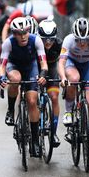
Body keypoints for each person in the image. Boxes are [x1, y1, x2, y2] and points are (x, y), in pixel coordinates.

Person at [0, 17, 48, 157]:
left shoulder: (35, 40)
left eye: (25, 32)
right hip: (13, 66)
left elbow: (43, 63)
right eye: (19, 33)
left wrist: (43, 73)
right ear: (13, 34)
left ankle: (35, 141)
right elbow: (2, 67)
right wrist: (2, 78)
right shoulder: (8, 43)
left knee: (32, 101)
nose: (23, 36)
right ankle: (10, 110)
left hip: (30, 67)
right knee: (15, 79)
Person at [58, 17, 89, 156]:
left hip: (87, 66)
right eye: (78, 40)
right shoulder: (68, 40)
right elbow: (61, 63)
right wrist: (63, 78)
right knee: (74, 79)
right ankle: (69, 111)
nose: (81, 43)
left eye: (85, 40)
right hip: (71, 64)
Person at [37, 18, 62, 147]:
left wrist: (64, 77)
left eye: (51, 39)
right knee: (32, 95)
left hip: (52, 68)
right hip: (37, 68)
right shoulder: (34, 43)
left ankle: (54, 132)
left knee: (54, 97)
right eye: (44, 39)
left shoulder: (59, 44)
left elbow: (64, 62)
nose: (47, 42)